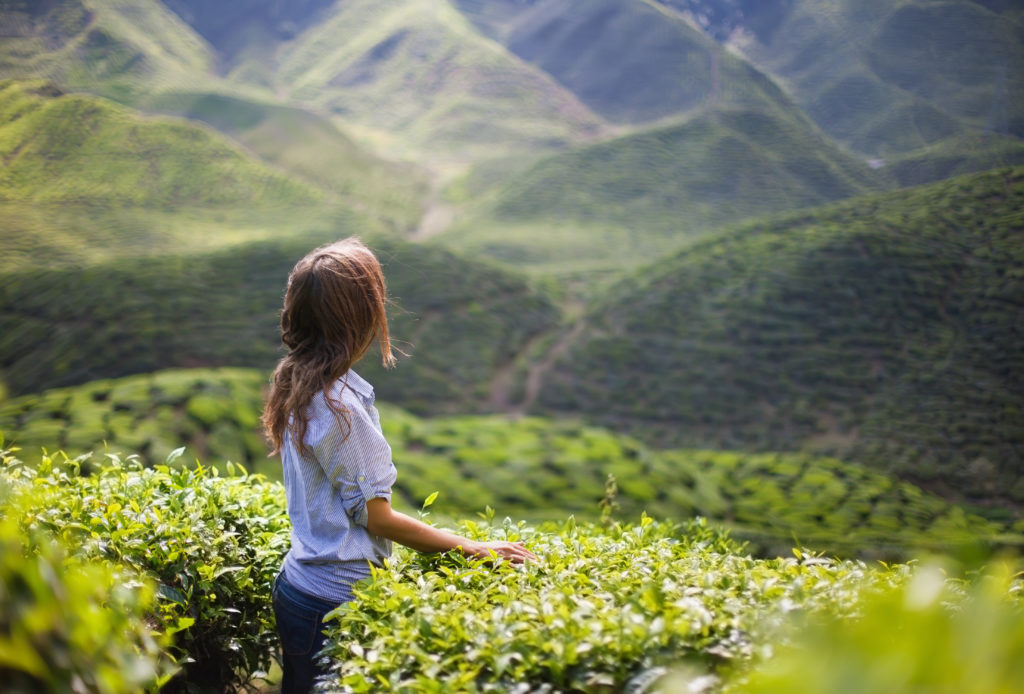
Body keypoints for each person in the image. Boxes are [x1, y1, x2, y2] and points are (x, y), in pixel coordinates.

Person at [261, 237, 535, 693]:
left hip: (298, 587)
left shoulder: (298, 377)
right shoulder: (339, 408)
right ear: (361, 315)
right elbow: (377, 518)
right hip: (330, 600)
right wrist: (473, 548)